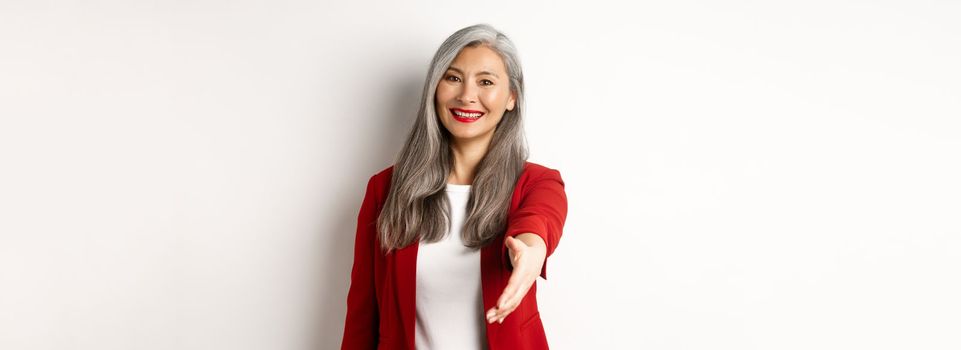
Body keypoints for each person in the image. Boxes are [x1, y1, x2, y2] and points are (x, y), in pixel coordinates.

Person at [340, 23, 568, 350]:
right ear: (435, 87)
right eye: (453, 78)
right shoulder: (385, 188)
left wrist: (530, 252)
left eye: (486, 82)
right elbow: (362, 314)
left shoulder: (538, 182)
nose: (466, 96)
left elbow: (539, 222)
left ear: (511, 98)